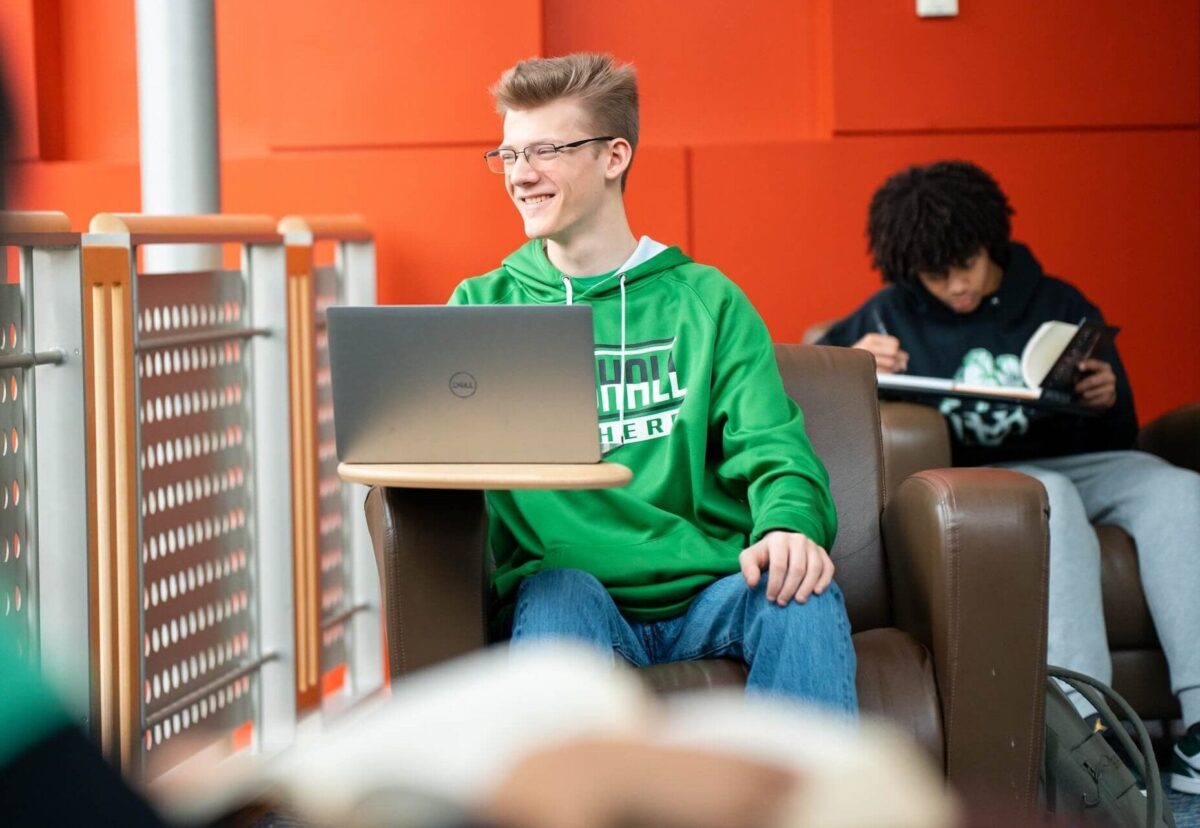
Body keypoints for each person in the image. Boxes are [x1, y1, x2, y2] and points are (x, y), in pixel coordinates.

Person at [449, 53, 856, 713]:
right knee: (556, 593)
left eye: (545, 150)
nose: (520, 175)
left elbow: (775, 444)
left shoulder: (708, 299)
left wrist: (789, 525)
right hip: (570, 593)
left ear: (614, 156)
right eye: (508, 154)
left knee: (801, 592)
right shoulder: (480, 308)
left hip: (711, 589)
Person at [818, 159, 1200, 793]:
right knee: (1051, 499)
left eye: (964, 265)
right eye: (935, 276)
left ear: (989, 243)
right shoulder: (889, 314)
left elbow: (1118, 432)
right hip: (986, 479)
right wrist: (853, 360)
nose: (955, 287)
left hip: (1081, 457)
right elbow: (814, 382)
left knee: (1178, 489)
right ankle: (1090, 734)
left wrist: (1107, 398)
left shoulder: (1056, 301)